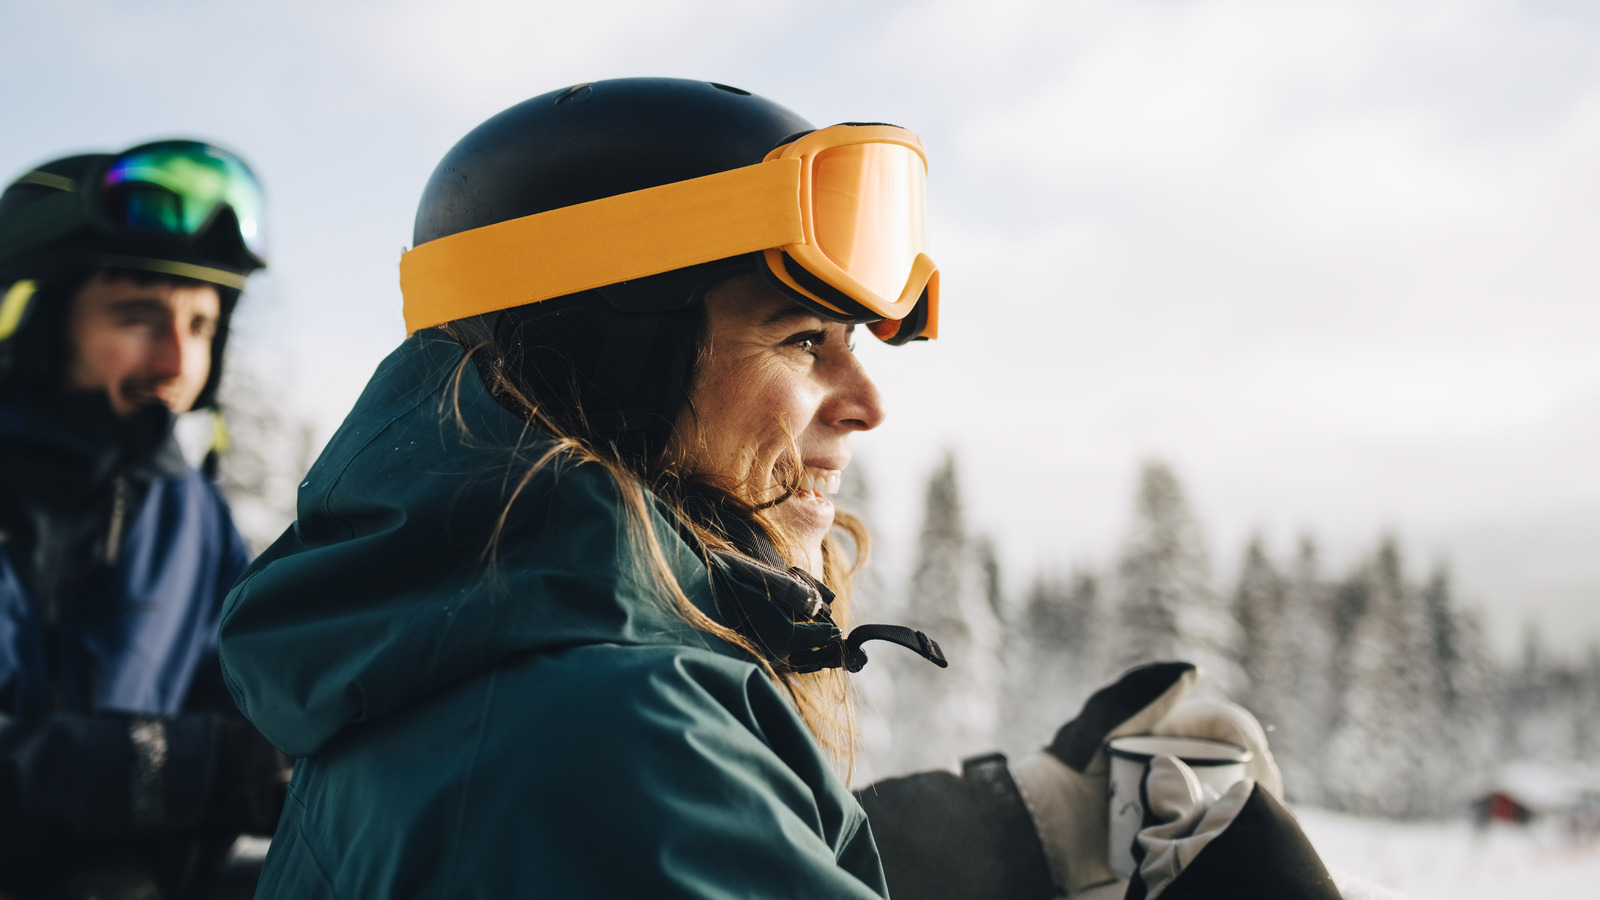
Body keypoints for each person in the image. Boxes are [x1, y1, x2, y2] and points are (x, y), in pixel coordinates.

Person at [217, 78, 1347, 898]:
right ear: (607, 370)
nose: (867, 400)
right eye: (806, 339)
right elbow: (624, 811)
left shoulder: (482, 656)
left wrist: (1031, 830)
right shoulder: (595, 733)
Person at [0, 141, 289, 900]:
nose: (174, 363)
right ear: (31, 319)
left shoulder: (192, 517)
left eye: (200, 326)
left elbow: (244, 690)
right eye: (137, 317)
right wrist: (197, 767)